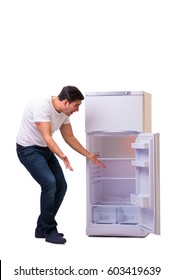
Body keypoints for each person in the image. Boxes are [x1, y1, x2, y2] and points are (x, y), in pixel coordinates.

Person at [16, 85, 105, 244]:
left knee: (61, 186)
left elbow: (69, 137)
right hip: (28, 149)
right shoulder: (41, 105)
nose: (77, 110)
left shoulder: (64, 112)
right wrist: (62, 156)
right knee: (49, 183)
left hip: (45, 149)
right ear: (65, 102)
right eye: (76, 105)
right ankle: (49, 230)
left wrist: (89, 155)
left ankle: (41, 228)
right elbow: (47, 136)